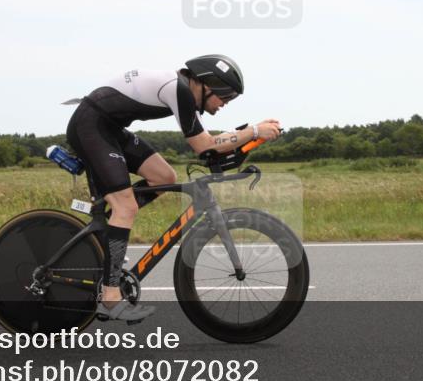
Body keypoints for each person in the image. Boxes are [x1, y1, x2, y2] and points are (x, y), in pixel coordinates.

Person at [65, 54, 281, 322]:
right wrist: (254, 131)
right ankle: (109, 298)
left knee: (163, 176)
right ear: (207, 85)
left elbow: (208, 146)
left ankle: (110, 232)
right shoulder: (179, 89)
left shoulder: (181, 89)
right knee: (126, 206)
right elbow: (204, 145)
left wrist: (250, 136)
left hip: (109, 128)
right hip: (92, 126)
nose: (224, 104)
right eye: (225, 97)